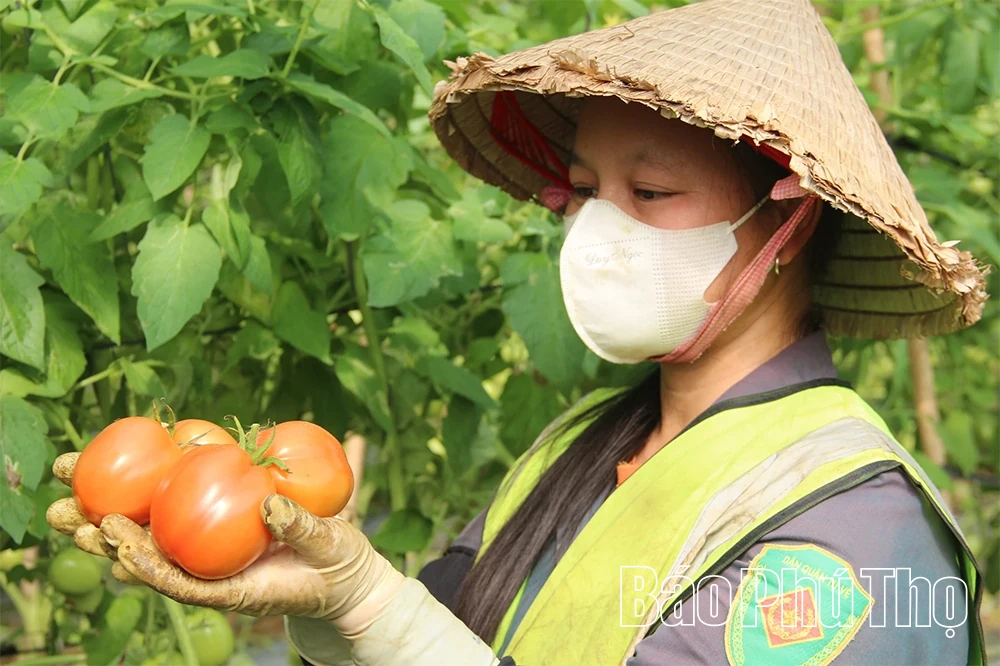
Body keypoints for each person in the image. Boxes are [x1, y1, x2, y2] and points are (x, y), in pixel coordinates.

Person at [46, 0, 989, 664]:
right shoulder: (578, 443)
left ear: (790, 223)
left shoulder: (853, 532)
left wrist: (371, 603)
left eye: (651, 193)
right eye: (582, 192)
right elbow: (452, 625)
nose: (598, 230)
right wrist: (326, 600)